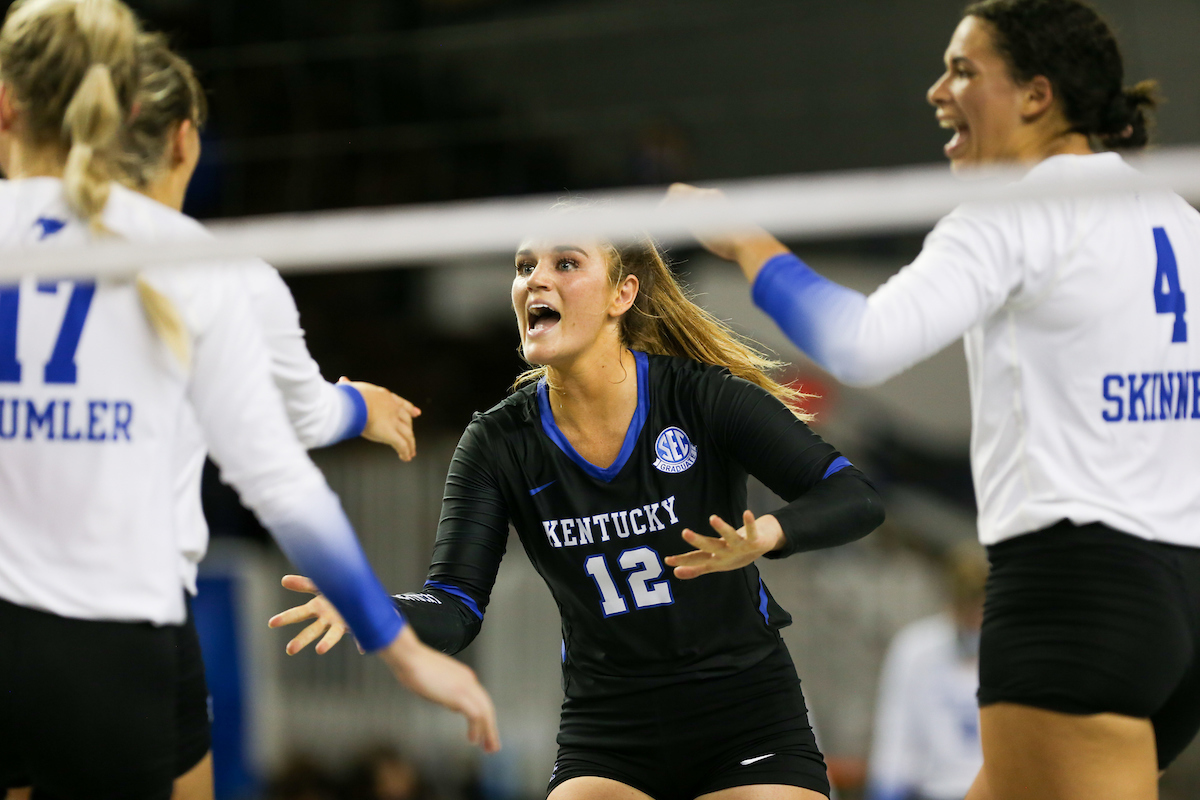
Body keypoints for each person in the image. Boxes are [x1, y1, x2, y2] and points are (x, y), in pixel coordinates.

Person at [667, 1, 1200, 798]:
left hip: (1080, 590)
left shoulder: (1017, 210)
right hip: (1182, 595)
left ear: (1035, 96)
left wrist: (747, 241)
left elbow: (861, 342)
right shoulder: (1177, 218)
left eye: (963, 69)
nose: (935, 90)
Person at [0, 2, 497, 798]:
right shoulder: (202, 265)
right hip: (116, 636)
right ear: (168, 133)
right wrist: (398, 646)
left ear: (5, 104)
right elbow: (281, 474)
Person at [270, 226, 886, 800]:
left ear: (623, 293)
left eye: (566, 263)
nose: (536, 280)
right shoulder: (497, 443)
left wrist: (767, 535)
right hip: (610, 730)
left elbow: (854, 496)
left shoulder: (701, 396)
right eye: (524, 267)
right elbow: (455, 610)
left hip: (747, 716)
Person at [116, 35, 424, 800]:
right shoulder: (225, 275)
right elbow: (300, 418)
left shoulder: (19, 242)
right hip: (135, 613)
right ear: (186, 140)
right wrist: (361, 406)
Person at [866, 548, 987, 800]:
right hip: (936, 791)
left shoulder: (1013, 653)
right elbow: (895, 734)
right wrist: (887, 788)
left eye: (981, 612)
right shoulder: (916, 648)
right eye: (966, 613)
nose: (973, 622)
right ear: (951, 603)